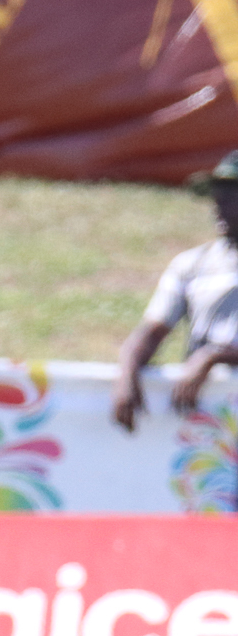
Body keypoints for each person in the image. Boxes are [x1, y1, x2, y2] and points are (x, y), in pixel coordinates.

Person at [113, 150, 238, 434]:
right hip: (207, 419)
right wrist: (128, 373)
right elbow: (152, 331)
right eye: (218, 192)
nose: (218, 203)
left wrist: (213, 356)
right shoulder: (193, 264)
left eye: (232, 193)